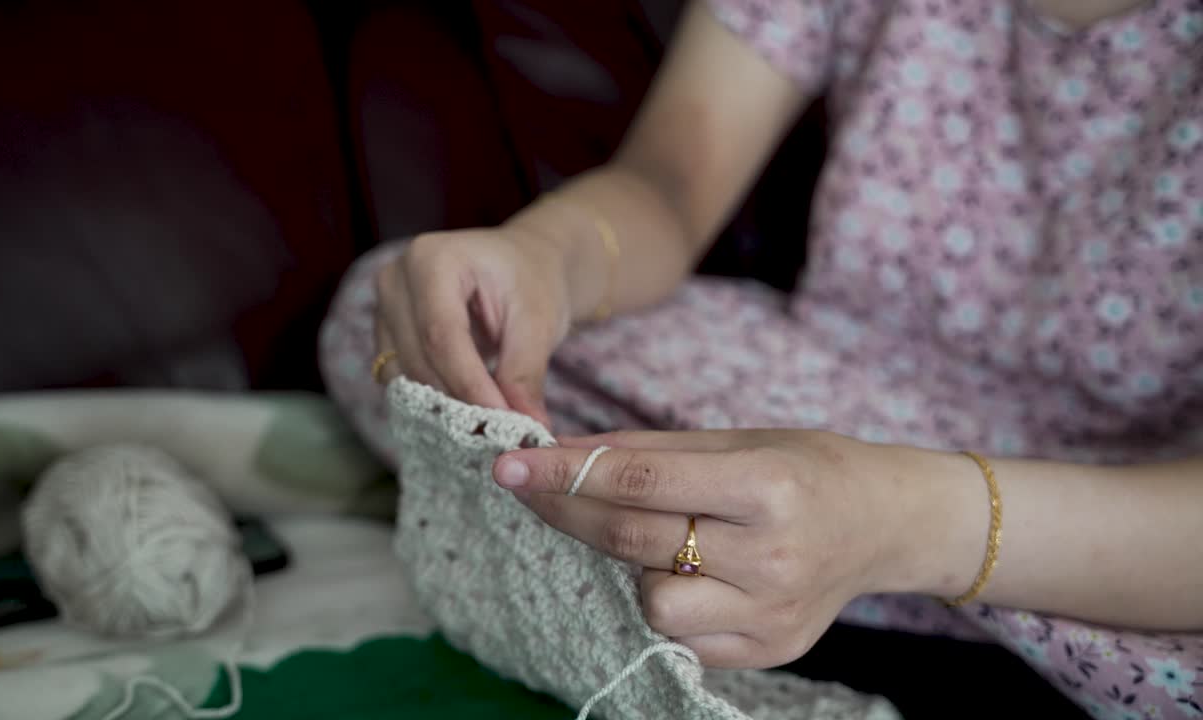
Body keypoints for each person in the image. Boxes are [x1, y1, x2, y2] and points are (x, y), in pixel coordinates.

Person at [320, 1, 1203, 717]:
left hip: (1128, 514)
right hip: (830, 381)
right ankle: (767, 575)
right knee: (408, 315)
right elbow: (668, 185)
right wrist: (545, 257)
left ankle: (798, 592)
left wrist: (899, 523)